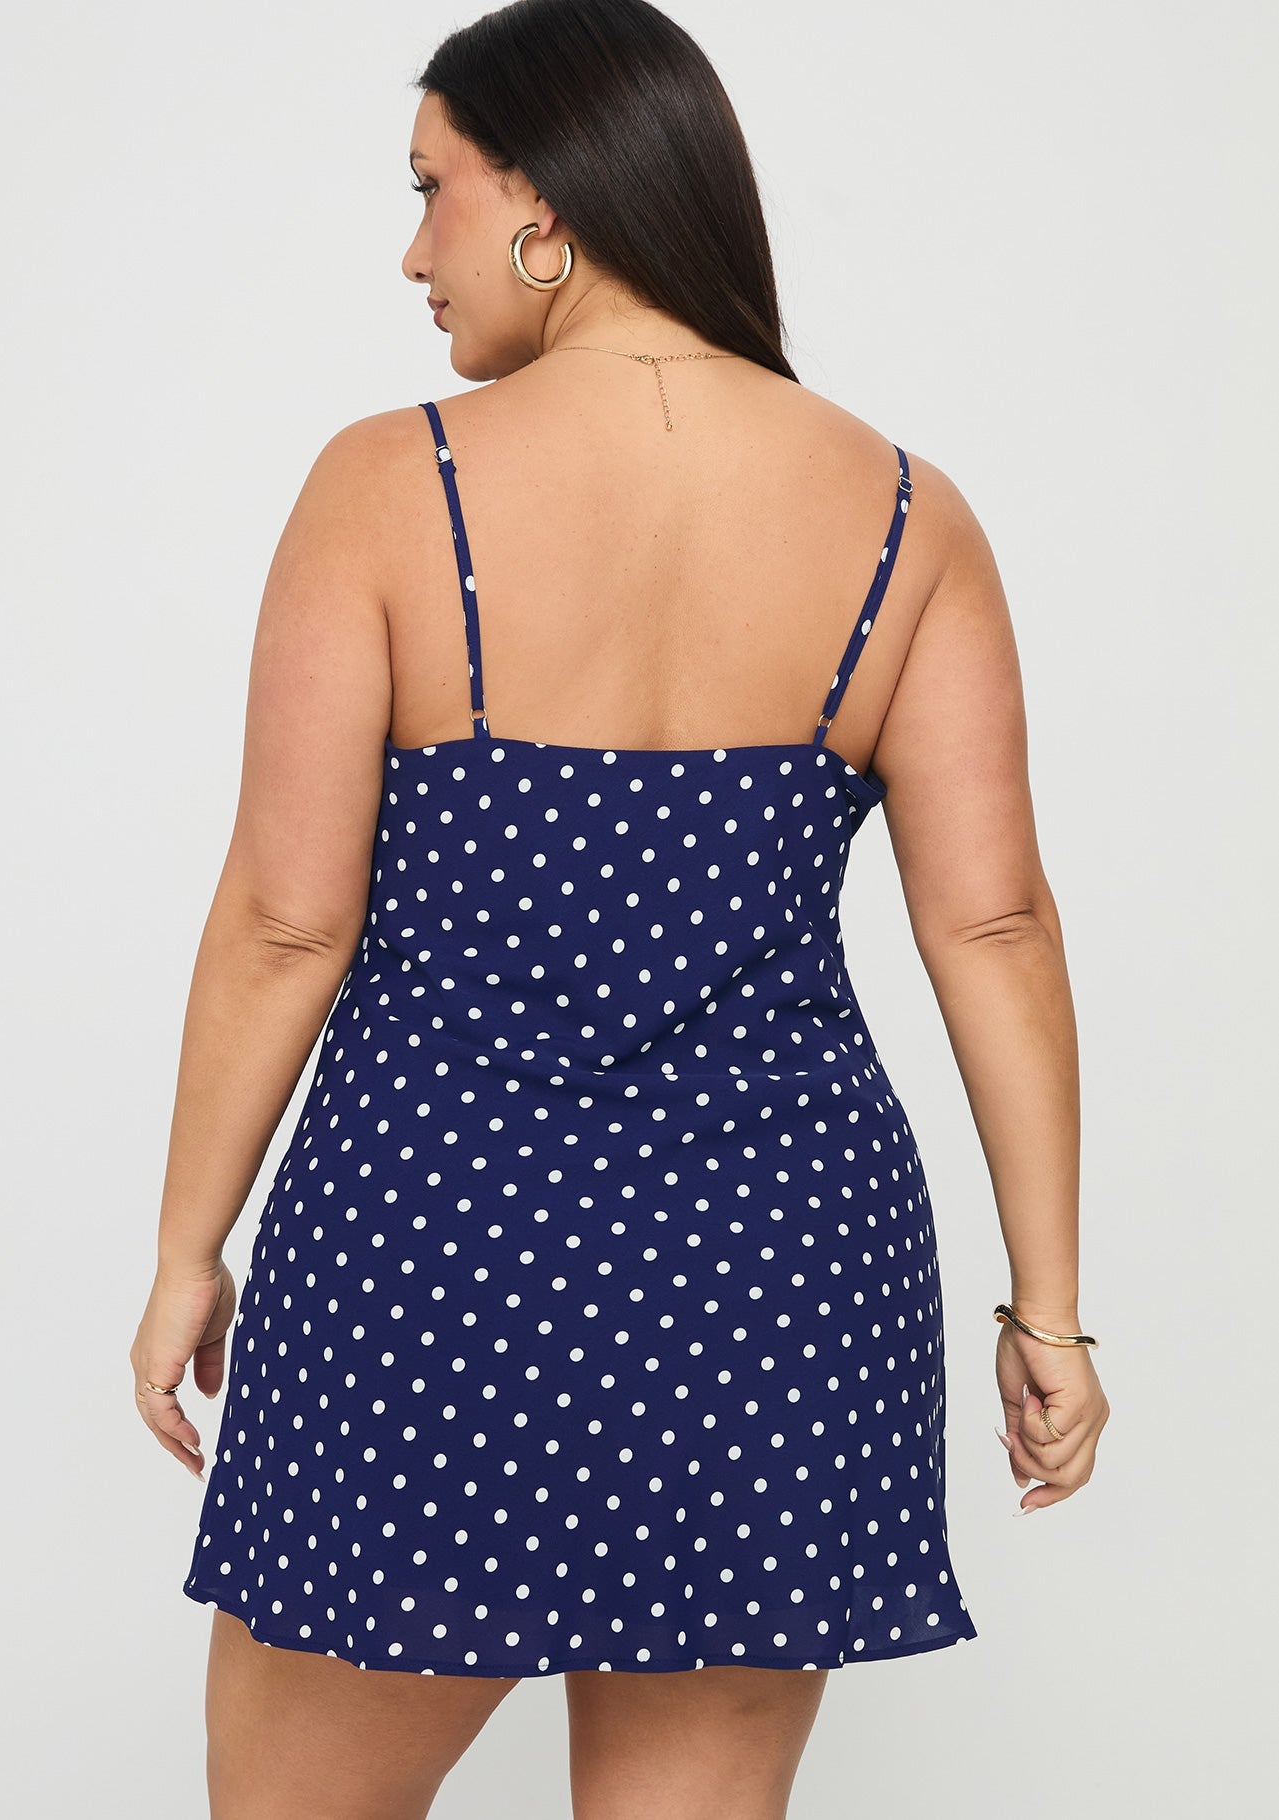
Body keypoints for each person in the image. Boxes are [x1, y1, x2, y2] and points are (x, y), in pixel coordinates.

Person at [131, 1, 1111, 1812]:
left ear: (545, 202)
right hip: (775, 1272)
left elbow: (285, 919)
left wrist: (191, 1246)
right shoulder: (909, 514)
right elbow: (993, 930)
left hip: (435, 1257)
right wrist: (1045, 1312)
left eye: (428, 190)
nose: (411, 254)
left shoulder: (388, 485)